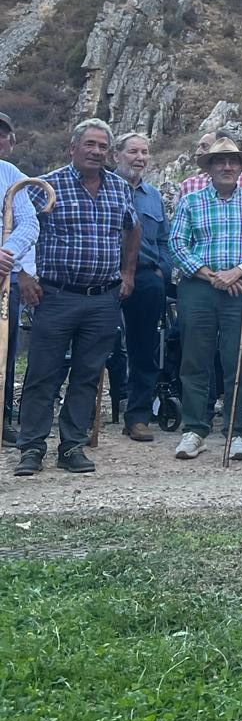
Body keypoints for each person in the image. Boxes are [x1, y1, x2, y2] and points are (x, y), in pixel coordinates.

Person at [13, 119, 138, 477]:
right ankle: (32, 447)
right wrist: (22, 274)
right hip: (55, 295)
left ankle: (72, 446)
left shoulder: (118, 187)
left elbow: (132, 229)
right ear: (73, 148)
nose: (96, 151)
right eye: (90, 144)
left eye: (102, 146)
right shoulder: (45, 186)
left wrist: (127, 273)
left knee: (87, 375)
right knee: (43, 374)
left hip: (102, 298)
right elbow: (19, 227)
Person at [168, 136, 242, 461]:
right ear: (210, 168)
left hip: (240, 289)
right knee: (194, 359)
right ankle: (195, 429)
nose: (227, 167)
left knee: (238, 360)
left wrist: (238, 270)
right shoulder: (191, 202)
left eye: (233, 161)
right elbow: (176, 244)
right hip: (198, 288)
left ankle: (237, 429)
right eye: (220, 161)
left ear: (241, 167)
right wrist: (212, 276)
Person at [112, 132, 170, 443]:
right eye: (133, 151)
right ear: (116, 156)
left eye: (145, 152)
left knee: (144, 348)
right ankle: (80, 416)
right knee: (97, 345)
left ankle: (138, 417)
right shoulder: (104, 189)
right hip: (105, 275)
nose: (139, 158)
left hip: (148, 278)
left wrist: (162, 270)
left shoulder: (153, 196)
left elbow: (163, 239)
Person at [0, 110, 40, 448]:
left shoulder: (12, 176)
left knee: (3, 350)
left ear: (10, 141)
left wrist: (6, 252)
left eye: (2, 133)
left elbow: (28, 223)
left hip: (3, 280)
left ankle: (2, 419)